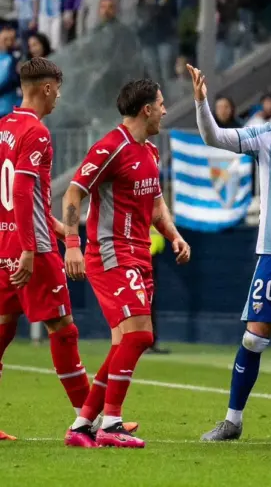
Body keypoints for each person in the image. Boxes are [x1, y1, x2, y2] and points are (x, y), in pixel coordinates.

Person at [188, 66, 271, 442]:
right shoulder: (267, 136)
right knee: (254, 338)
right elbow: (213, 137)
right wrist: (201, 102)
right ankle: (233, 420)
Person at [63, 79, 191, 449]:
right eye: (162, 104)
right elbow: (74, 192)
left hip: (139, 255)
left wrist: (175, 236)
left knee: (123, 342)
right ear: (146, 109)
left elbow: (155, 206)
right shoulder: (109, 147)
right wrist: (72, 244)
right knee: (140, 336)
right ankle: (112, 423)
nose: (165, 110)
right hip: (110, 253)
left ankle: (82, 425)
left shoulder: (149, 152)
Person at [0, 58, 89, 442]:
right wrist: (31, 248)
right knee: (63, 328)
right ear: (48, 87)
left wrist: (54, 226)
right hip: (28, 251)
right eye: (58, 89)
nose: (59, 98)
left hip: (4, 243)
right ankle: (90, 419)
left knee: (3, 331)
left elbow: (24, 198)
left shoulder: (4, 126)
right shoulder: (36, 132)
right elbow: (20, 191)